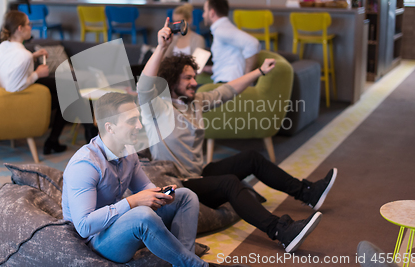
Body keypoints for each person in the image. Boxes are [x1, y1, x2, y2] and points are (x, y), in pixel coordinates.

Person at [137, 20, 338, 253]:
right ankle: (280, 231)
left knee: (251, 157)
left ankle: (307, 193)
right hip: (180, 184)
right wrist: (161, 47)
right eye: (188, 78)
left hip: (199, 174)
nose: (195, 82)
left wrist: (259, 71)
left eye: (194, 77)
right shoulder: (157, 109)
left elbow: (228, 90)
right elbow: (145, 85)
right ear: (172, 82)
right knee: (230, 183)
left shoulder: (195, 103)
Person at [61, 92, 242, 267]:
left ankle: (183, 262)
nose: (140, 125)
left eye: (138, 118)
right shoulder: (84, 165)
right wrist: (132, 202)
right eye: (132, 121)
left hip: (121, 223)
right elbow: (84, 226)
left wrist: (160, 194)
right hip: (96, 240)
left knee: (186, 196)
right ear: (110, 127)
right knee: (142, 215)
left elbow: (145, 186)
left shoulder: (128, 151)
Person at [0, 10, 67, 154]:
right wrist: (37, 74)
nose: (31, 27)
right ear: (20, 28)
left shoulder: (4, 46)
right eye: (28, 24)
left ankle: (55, 140)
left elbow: (13, 66)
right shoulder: (23, 55)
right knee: (67, 97)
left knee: (67, 90)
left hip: (2, 96)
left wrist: (33, 56)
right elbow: (13, 86)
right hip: (19, 100)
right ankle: (54, 140)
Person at [201, 0, 260, 83]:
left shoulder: (221, 31)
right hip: (225, 80)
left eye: (205, 11)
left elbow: (253, 43)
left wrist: (246, 79)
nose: (203, 15)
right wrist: (207, 69)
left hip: (227, 82)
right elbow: (228, 61)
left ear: (212, 13)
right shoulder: (224, 28)